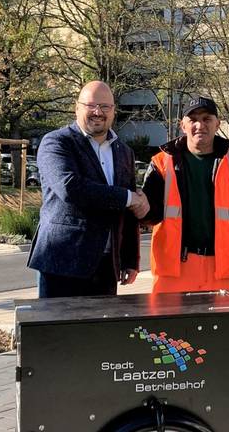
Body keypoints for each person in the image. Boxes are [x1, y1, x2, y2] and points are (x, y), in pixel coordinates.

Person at [28, 81, 147, 298]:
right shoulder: (56, 143)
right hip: (62, 263)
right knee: (57, 332)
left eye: (105, 107)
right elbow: (71, 188)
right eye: (90, 105)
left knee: (98, 332)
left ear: (113, 111)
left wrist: (130, 260)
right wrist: (129, 197)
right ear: (77, 108)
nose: (97, 112)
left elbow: (127, 212)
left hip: (106, 267)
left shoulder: (124, 152)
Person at [141, 96, 229, 293]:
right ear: (182, 125)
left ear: (217, 124)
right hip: (172, 273)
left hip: (221, 273)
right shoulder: (162, 163)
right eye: (193, 119)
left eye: (207, 119)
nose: (200, 125)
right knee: (169, 325)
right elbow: (148, 215)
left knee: (220, 325)